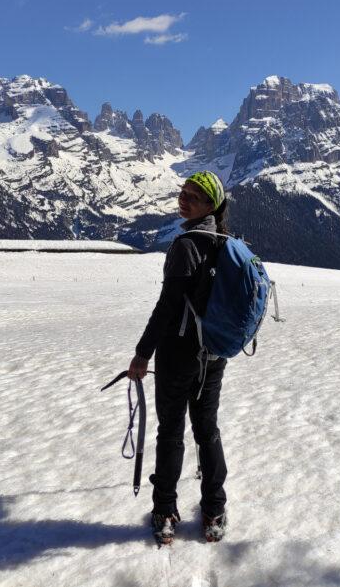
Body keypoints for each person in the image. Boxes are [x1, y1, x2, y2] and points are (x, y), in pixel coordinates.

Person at [128, 170, 231, 545]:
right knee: (208, 431)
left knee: (171, 433)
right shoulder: (225, 241)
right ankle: (214, 509)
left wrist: (142, 354)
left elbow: (168, 306)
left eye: (193, 196)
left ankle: (165, 511)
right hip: (214, 355)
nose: (183, 199)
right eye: (182, 192)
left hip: (177, 357)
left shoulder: (186, 245)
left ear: (210, 205)